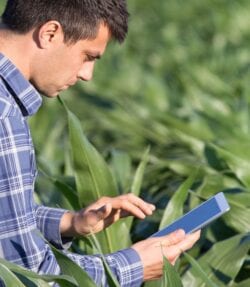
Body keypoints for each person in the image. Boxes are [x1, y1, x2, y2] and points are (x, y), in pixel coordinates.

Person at [0, 0, 200, 286]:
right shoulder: (4, 117)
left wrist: (70, 223)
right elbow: (25, 274)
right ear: (50, 34)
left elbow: (5, 220)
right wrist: (132, 266)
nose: (87, 75)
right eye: (88, 56)